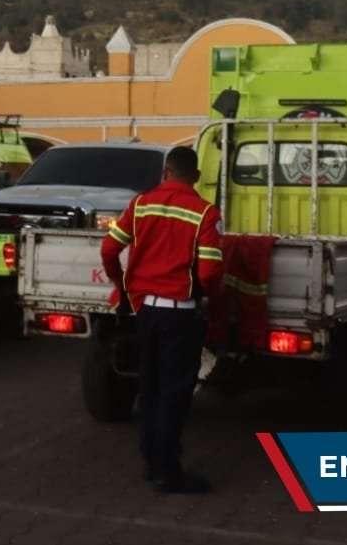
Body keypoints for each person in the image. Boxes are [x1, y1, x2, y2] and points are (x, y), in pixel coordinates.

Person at [100, 145, 224, 494]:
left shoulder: (140, 205)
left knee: (150, 388)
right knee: (175, 393)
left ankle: (151, 461)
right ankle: (168, 472)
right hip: (180, 315)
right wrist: (205, 292)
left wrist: (121, 285)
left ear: (165, 172)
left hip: (145, 313)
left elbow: (109, 249)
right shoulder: (205, 213)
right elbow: (212, 270)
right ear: (195, 176)